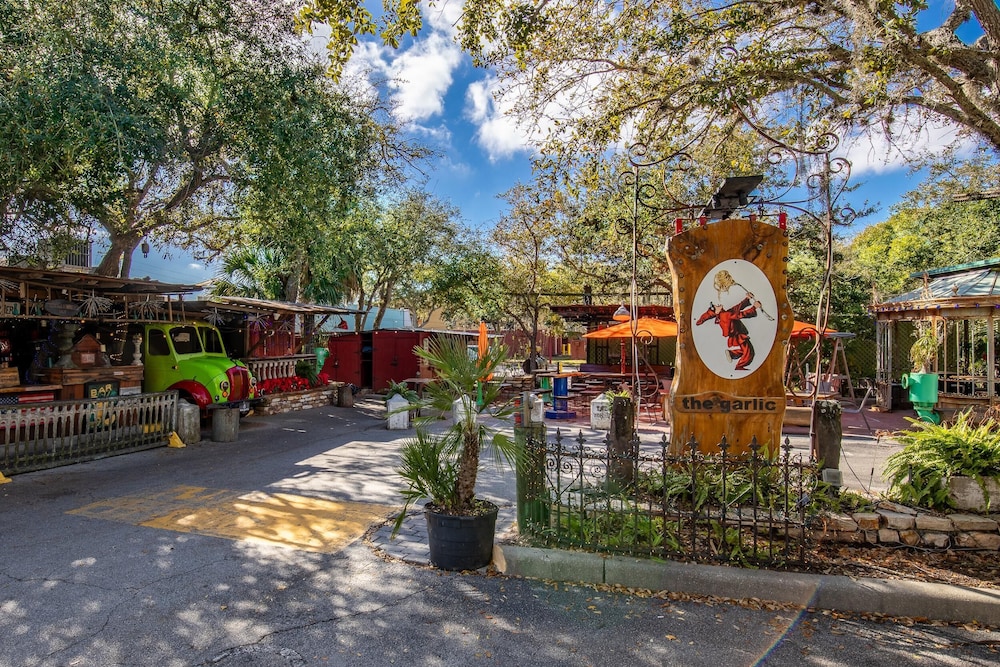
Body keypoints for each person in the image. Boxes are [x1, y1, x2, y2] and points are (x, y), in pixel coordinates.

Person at [695, 294, 762, 371]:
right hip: (739, 336)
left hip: (737, 336)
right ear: (716, 312)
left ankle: (732, 354)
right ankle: (739, 366)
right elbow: (740, 315)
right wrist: (754, 307)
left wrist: (747, 298)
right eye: (714, 307)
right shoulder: (725, 315)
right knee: (749, 353)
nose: (716, 305)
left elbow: (737, 307)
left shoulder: (725, 314)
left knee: (746, 350)